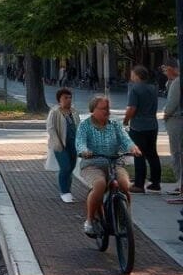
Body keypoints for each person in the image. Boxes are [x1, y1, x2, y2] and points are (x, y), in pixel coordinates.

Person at [76, 95, 141, 236]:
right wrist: (84, 151)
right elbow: (80, 142)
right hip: (93, 164)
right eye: (103, 108)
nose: (107, 111)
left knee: (124, 185)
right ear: (93, 110)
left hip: (114, 162)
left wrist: (133, 147)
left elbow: (125, 139)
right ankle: (90, 221)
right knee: (99, 185)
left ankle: (125, 218)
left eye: (108, 108)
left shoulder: (115, 125)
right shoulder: (85, 125)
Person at [123, 64, 161, 192]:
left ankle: (139, 184)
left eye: (132, 73)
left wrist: (126, 120)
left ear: (137, 75)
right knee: (152, 154)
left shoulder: (134, 89)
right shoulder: (153, 88)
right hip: (152, 125)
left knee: (138, 155)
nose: (131, 76)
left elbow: (132, 108)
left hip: (138, 126)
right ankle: (155, 182)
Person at [46, 88, 80, 203]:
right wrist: (57, 143)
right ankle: (64, 191)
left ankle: (68, 190)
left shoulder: (74, 111)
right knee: (65, 167)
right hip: (60, 144)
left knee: (71, 167)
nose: (68, 100)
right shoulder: (55, 112)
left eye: (70, 97)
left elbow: (78, 126)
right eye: (65, 98)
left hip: (73, 144)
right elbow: (50, 128)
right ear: (59, 100)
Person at [163, 58, 183, 195]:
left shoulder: (177, 83)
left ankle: (180, 182)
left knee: (176, 152)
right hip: (176, 119)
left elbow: (172, 103)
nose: (165, 72)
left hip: (175, 120)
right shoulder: (173, 82)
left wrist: (165, 114)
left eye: (166, 69)